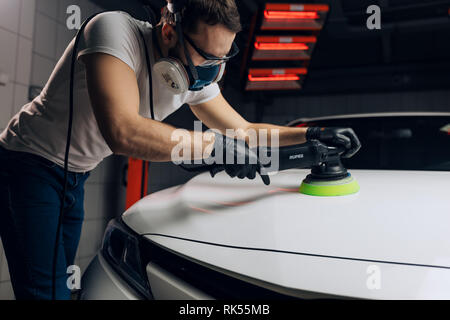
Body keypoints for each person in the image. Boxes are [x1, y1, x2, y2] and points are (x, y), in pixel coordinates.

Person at [0, 0, 360, 300]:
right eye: (208, 57)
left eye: (223, 59)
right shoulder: (112, 30)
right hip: (28, 163)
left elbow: (246, 131)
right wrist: (213, 147)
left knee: (61, 283)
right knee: (45, 293)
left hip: (75, 175)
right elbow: (122, 131)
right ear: (170, 32)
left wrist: (312, 133)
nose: (215, 71)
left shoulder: (196, 73)